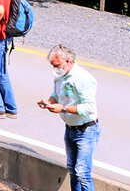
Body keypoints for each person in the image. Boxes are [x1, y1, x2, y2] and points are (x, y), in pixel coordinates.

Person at [38, 45, 99, 191]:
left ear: (68, 61)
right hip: (70, 129)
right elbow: (56, 94)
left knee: (82, 173)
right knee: (72, 169)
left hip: (86, 131)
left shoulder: (83, 79)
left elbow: (89, 108)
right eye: (53, 66)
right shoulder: (59, 76)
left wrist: (63, 108)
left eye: (57, 65)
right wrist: (49, 102)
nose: (55, 69)